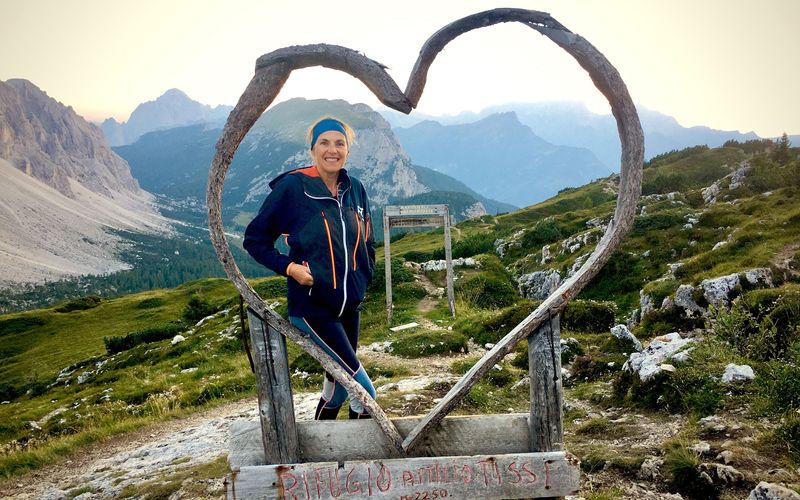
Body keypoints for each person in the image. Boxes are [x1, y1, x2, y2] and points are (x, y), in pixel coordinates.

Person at [243, 116, 377, 420]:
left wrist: (364, 276)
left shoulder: (355, 188)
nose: (333, 150)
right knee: (364, 392)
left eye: (340, 143)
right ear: (312, 149)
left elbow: (368, 240)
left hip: (349, 308)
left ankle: (322, 450)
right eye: (325, 143)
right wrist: (290, 268)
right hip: (312, 307)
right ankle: (361, 456)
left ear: (347, 149)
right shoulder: (293, 187)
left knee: (339, 388)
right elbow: (255, 239)